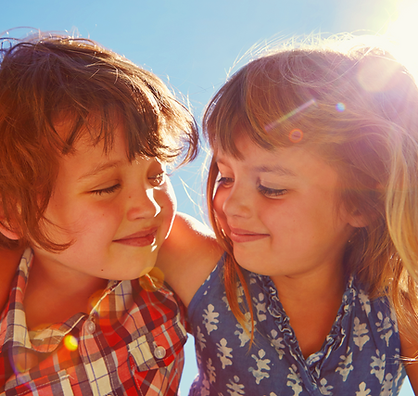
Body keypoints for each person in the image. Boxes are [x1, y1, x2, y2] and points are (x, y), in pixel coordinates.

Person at [161, 38, 418, 395]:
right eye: (225, 177)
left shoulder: (399, 306)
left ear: (362, 203)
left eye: (270, 187)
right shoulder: (205, 273)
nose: (232, 206)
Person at [0, 31, 204, 395]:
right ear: (15, 214)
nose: (149, 205)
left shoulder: (165, 277)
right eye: (107, 187)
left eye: (155, 176)